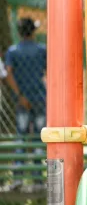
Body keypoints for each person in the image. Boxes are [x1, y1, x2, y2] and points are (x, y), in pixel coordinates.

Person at [4, 17, 47, 191]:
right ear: (33, 31)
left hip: (22, 101)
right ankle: (37, 181)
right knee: (38, 137)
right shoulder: (41, 50)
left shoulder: (13, 52)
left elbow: (8, 73)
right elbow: (49, 71)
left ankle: (17, 179)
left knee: (21, 136)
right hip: (39, 98)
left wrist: (20, 95)